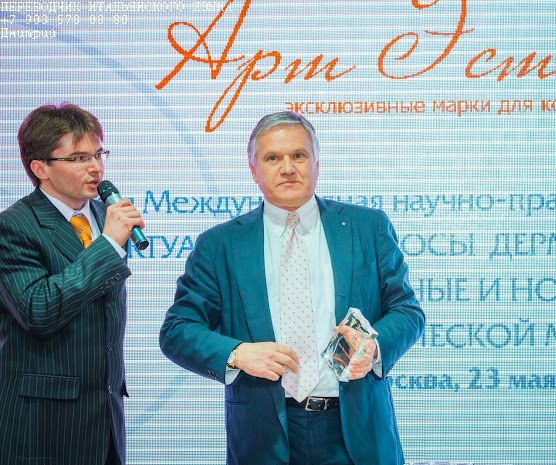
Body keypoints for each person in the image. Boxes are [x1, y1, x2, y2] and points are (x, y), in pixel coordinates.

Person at [160, 111, 424, 465]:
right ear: (253, 170)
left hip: (357, 432)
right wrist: (237, 354)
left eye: (298, 155)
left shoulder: (368, 227)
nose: (287, 168)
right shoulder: (219, 245)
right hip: (263, 436)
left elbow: (407, 311)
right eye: (273, 158)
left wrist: (373, 347)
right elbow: (177, 330)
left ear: (317, 163)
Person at [0, 103, 145, 465]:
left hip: (106, 415)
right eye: (79, 158)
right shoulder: (14, 227)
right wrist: (108, 244)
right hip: (43, 424)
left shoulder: (104, 215)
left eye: (98, 154)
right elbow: (38, 310)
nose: (95, 167)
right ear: (40, 168)